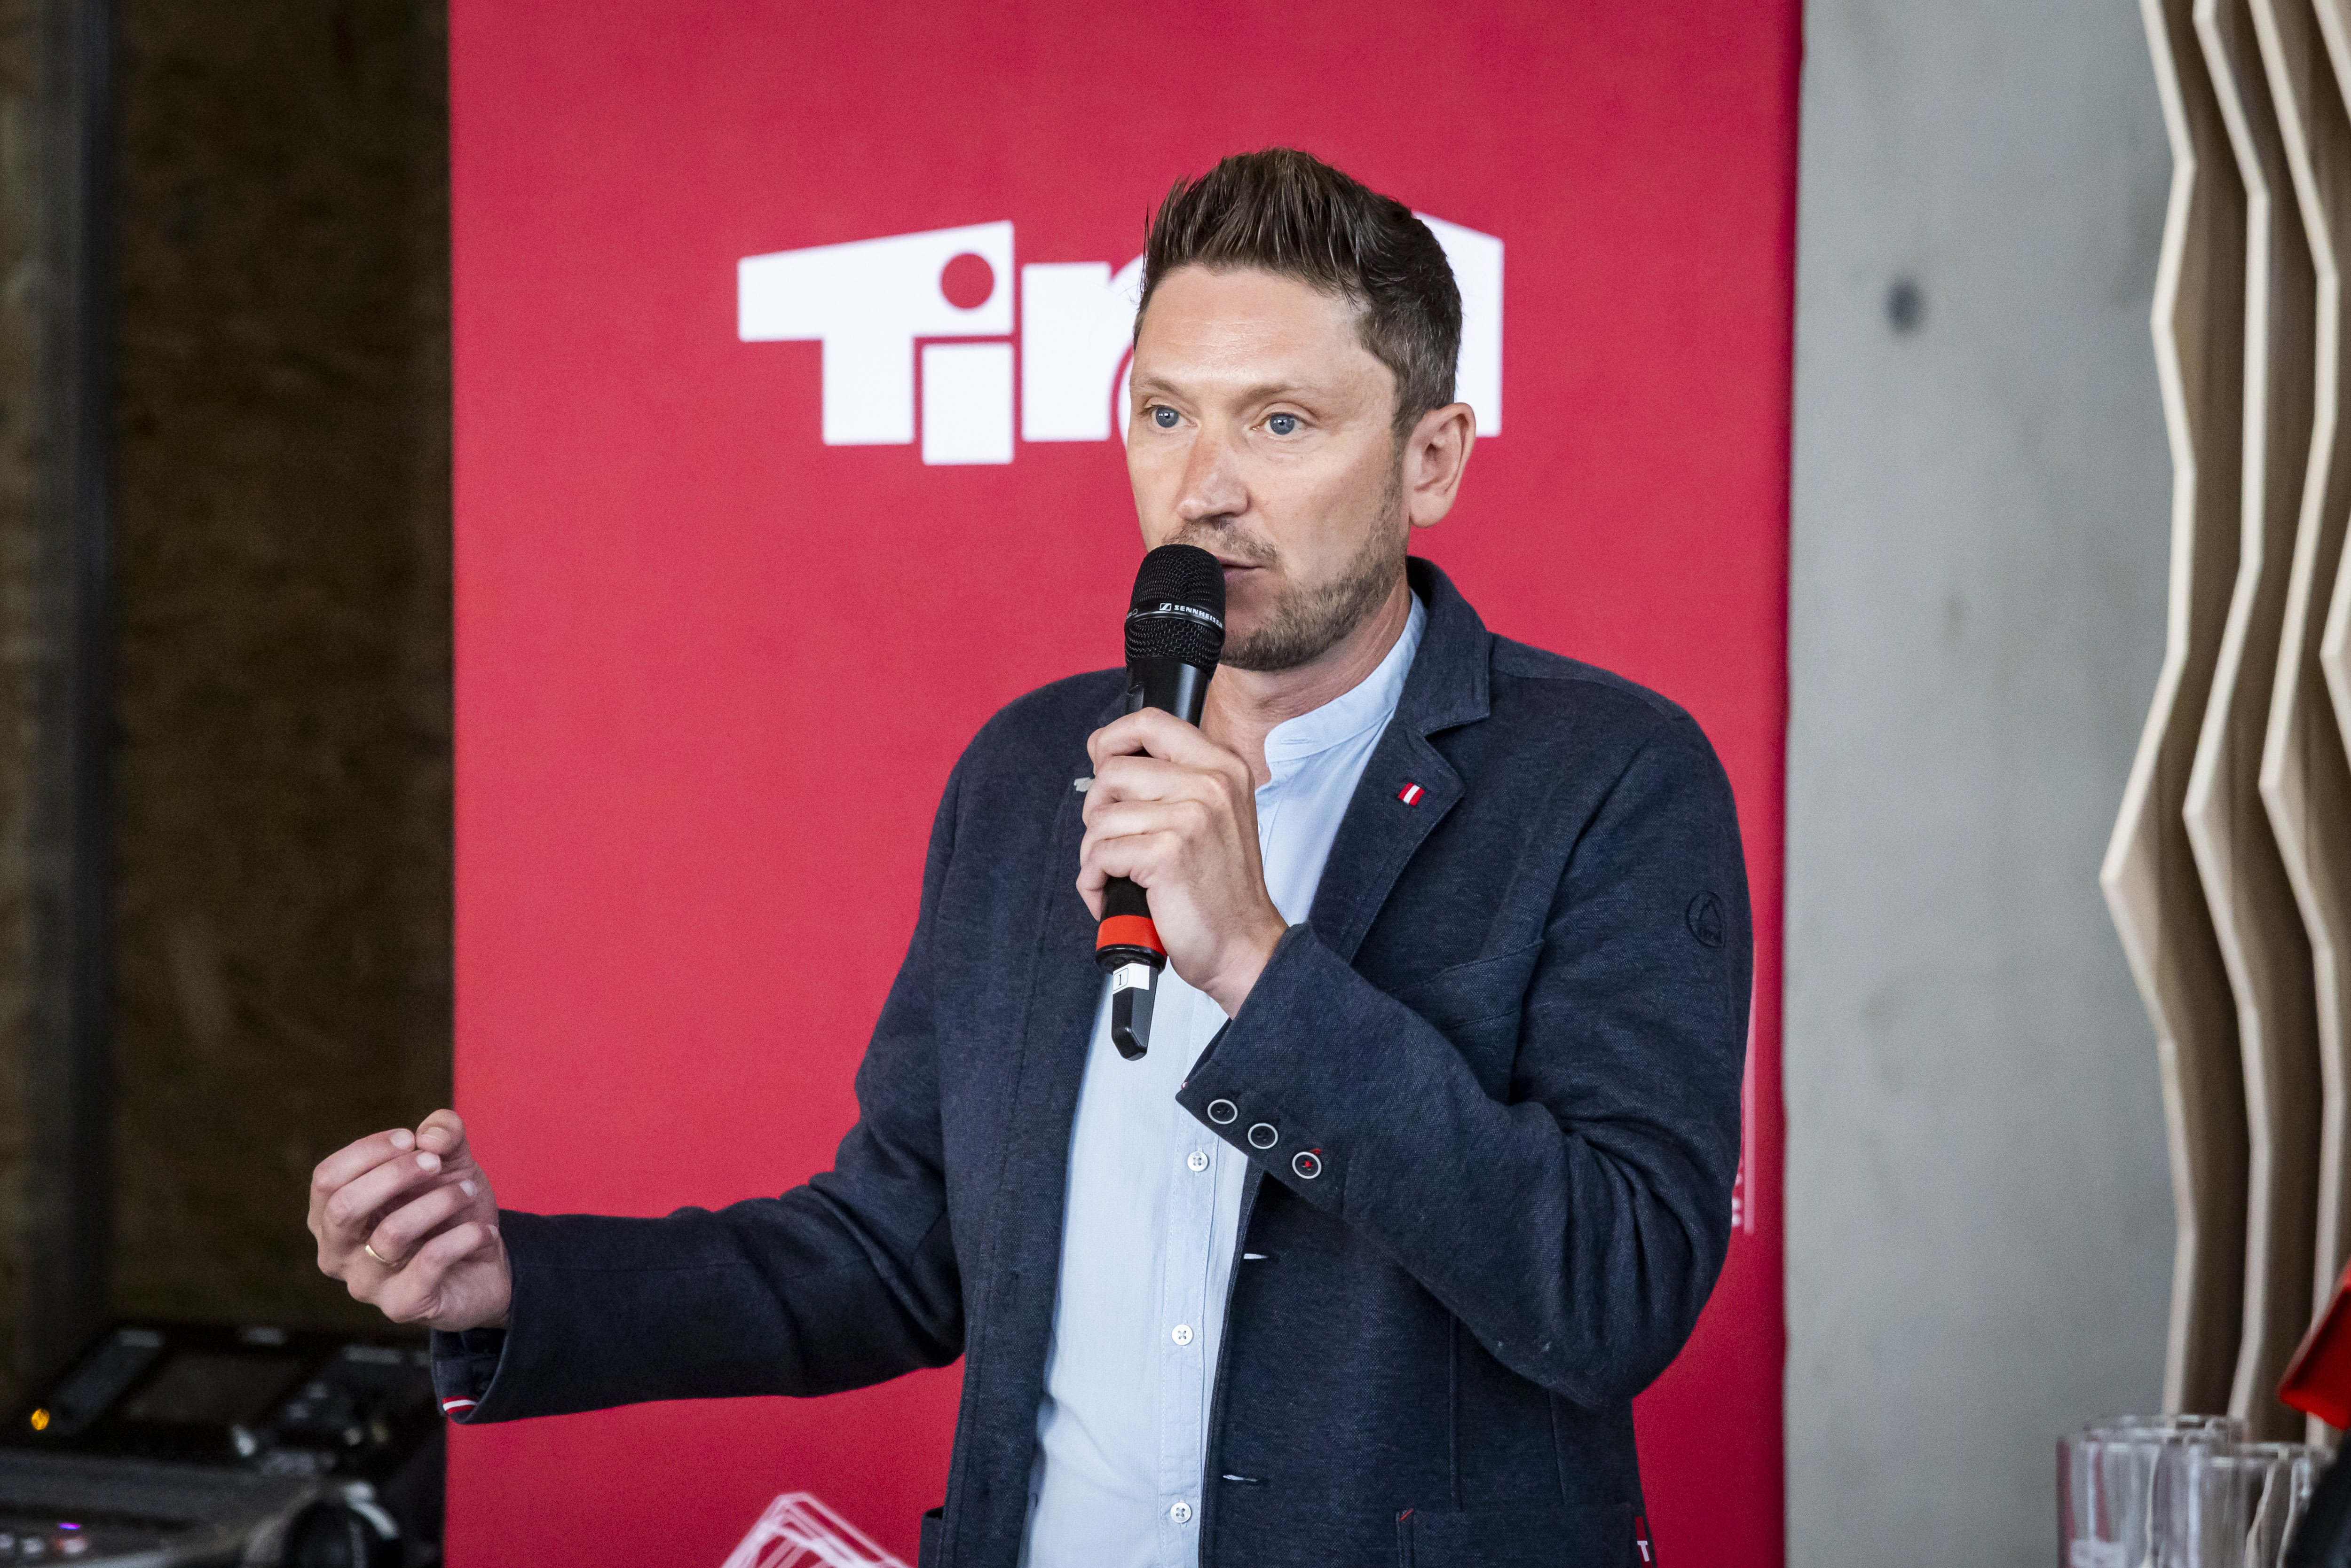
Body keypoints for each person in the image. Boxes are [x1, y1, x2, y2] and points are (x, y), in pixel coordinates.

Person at [307, 147, 1751, 1568]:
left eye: (1282, 423)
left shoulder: (1610, 778)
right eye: (1165, 413)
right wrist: (521, 1285)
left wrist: (1256, 963)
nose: (1204, 489)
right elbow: (897, 1251)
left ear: (1431, 459)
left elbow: (1616, 1293)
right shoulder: (1028, 772)